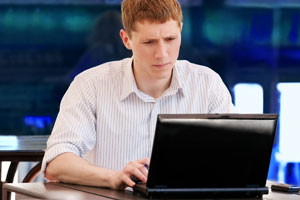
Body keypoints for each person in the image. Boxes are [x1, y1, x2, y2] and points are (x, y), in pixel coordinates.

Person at [42, 0, 236, 190]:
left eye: (170, 39)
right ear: (126, 39)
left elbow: (237, 154)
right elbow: (56, 162)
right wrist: (113, 177)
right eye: (149, 42)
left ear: (181, 31)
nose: (162, 54)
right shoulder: (90, 85)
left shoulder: (208, 84)